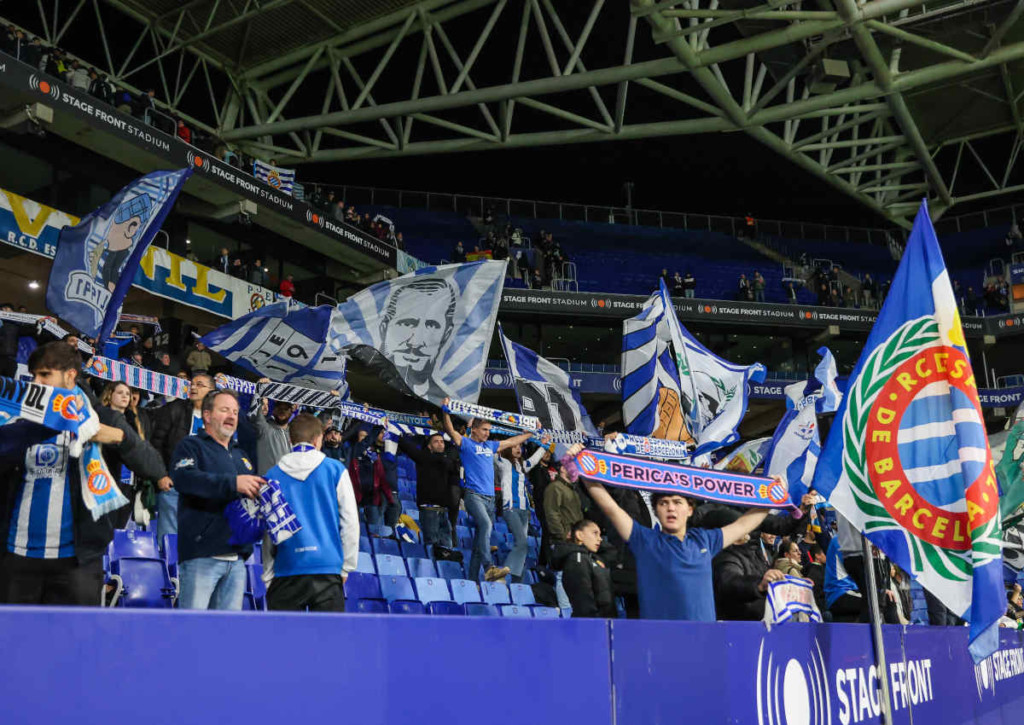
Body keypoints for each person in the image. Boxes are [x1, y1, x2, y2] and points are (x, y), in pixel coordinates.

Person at [0, 342, 151, 605]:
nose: (36, 382)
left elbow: (146, 462)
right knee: (15, 644)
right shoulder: (15, 418)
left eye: (44, 375)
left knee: (75, 644)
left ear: (70, 375)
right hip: (18, 556)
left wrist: (120, 437)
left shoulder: (100, 419)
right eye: (34, 375)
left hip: (77, 561)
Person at [578, 442, 782, 621]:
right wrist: (583, 468)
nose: (671, 508)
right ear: (656, 511)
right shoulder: (644, 540)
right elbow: (610, 508)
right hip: (659, 645)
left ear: (690, 509)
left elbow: (743, 525)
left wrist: (772, 495)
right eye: (664, 503)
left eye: (677, 502)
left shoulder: (705, 540)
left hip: (703, 643)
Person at [170, 389, 261, 610]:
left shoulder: (242, 455)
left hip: (237, 559)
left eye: (235, 412)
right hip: (202, 555)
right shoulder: (191, 446)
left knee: (226, 636)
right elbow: (185, 479)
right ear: (207, 415)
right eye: (225, 410)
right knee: (192, 632)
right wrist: (233, 483)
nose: (232, 416)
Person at [262, 414, 359, 612]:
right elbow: (350, 521)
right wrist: (347, 565)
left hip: (286, 569)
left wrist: (268, 574)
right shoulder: (335, 469)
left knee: (284, 643)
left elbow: (269, 529)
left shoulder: (272, 475)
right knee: (329, 642)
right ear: (318, 439)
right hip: (327, 568)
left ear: (290, 439)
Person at [440, 401, 533, 582]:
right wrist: (445, 413)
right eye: (484, 429)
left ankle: (473, 581)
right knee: (486, 526)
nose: (487, 433)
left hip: (490, 500)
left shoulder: (490, 446)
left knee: (478, 545)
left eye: (489, 430)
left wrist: (530, 433)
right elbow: (450, 430)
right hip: (474, 496)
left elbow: (512, 441)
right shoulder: (465, 443)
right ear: (474, 429)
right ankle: (489, 567)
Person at [149, 372, 215, 540]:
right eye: (192, 384)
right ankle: (169, 565)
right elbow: (156, 445)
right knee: (169, 538)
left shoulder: (217, 418)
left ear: (212, 390)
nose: (193, 387)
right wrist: (161, 474)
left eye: (200, 385)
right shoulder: (174, 409)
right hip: (174, 485)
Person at [100, 382, 169, 529]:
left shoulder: (135, 419)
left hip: (129, 484)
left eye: (127, 393)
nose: (125, 396)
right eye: (120, 393)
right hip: (105, 481)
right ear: (109, 395)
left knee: (120, 526)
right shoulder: (100, 416)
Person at [380, 279, 457, 402]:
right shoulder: (360, 385)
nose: (416, 343)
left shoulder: (446, 401)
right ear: (384, 328)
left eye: (432, 326)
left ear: (446, 335)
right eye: (406, 323)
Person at [496, 437, 551, 583]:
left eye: (520, 446)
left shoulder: (522, 466)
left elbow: (534, 460)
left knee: (522, 546)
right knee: (522, 543)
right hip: (511, 508)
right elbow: (491, 451)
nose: (518, 448)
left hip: (524, 511)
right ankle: (502, 575)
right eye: (514, 446)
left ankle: (515, 582)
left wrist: (544, 445)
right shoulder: (503, 463)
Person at [395, 431, 459, 548]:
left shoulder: (447, 462)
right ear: (429, 446)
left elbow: (455, 449)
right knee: (432, 544)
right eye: (436, 442)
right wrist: (396, 433)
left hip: (444, 511)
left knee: (447, 546)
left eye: (442, 442)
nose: (440, 444)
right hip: (429, 509)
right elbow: (408, 448)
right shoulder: (423, 458)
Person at [554, 519, 615, 618]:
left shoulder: (591, 558)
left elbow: (612, 554)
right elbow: (583, 601)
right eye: (595, 533)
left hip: (602, 622)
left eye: (600, 535)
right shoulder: (577, 560)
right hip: (591, 624)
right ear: (580, 535)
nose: (600, 539)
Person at [249, 386, 293, 475]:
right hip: (268, 484)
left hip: (289, 484)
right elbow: (256, 414)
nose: (282, 412)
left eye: (285, 409)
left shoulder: (294, 432)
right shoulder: (264, 428)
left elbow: (318, 425)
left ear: (291, 411)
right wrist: (259, 390)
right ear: (274, 410)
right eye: (279, 408)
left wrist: (329, 402)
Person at [804, 544, 827, 613]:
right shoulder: (816, 572)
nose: (826, 556)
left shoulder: (811, 569)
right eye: (823, 553)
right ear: (817, 556)